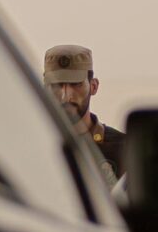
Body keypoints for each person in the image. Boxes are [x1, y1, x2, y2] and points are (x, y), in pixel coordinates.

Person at [42, 44, 127, 184]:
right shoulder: (32, 148)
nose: (66, 95)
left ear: (93, 86)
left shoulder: (123, 149)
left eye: (76, 84)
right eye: (56, 85)